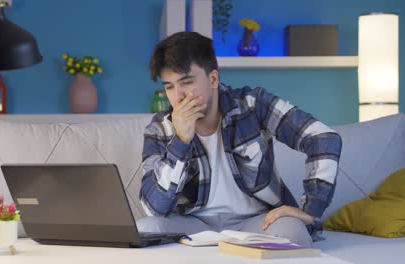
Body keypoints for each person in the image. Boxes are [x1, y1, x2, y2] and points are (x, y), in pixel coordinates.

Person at [137, 31, 342, 248]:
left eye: (186, 82)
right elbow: (154, 209)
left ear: (213, 78)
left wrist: (309, 211)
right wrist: (180, 141)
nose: (178, 96)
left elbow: (324, 138)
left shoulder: (252, 104)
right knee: (145, 230)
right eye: (169, 86)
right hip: (192, 223)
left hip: (257, 221)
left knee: (294, 233)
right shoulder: (159, 129)